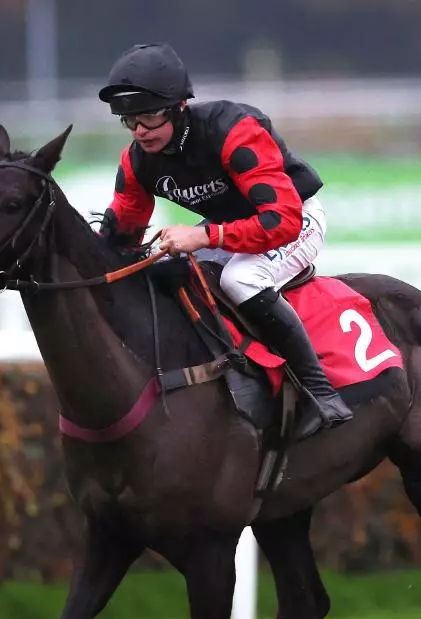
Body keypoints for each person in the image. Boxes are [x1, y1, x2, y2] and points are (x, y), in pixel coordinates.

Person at [96, 42, 354, 440]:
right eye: (129, 120)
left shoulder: (235, 129)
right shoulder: (137, 161)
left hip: (295, 217)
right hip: (235, 224)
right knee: (167, 272)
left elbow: (279, 222)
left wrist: (201, 236)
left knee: (240, 280)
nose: (140, 131)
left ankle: (321, 393)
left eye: (148, 115)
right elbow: (120, 234)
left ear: (179, 107)